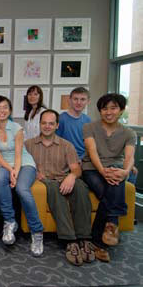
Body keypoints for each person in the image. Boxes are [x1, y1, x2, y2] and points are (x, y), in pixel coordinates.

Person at [25, 109, 94, 266]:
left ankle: (84, 238)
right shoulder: (28, 145)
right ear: (39, 125)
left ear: (57, 125)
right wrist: (34, 173)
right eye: (44, 123)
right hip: (45, 182)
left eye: (51, 123)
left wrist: (71, 176)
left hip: (64, 178)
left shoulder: (66, 145)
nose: (47, 126)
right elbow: (23, 165)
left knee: (82, 188)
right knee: (54, 189)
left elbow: (76, 168)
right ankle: (70, 240)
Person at [82, 93, 136, 262]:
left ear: (121, 110)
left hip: (116, 169)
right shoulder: (89, 127)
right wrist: (102, 170)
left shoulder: (129, 133)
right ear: (100, 111)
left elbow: (129, 158)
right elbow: (92, 152)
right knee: (109, 190)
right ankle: (111, 226)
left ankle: (99, 241)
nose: (109, 112)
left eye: (113, 108)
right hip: (92, 168)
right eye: (105, 109)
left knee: (112, 187)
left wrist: (125, 172)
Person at [0, 96, 44, 257]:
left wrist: (15, 173)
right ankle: (10, 221)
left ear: (10, 110)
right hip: (6, 164)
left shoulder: (17, 128)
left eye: (5, 107)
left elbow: (19, 153)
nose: (2, 110)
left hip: (24, 163)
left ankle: (37, 231)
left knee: (21, 189)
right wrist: (9, 170)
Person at [56, 87, 91, 160]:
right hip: (64, 158)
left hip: (83, 159)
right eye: (75, 99)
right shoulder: (60, 119)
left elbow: (89, 145)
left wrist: (82, 159)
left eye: (82, 99)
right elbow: (56, 143)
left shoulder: (88, 120)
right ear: (69, 100)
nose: (79, 102)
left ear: (88, 101)